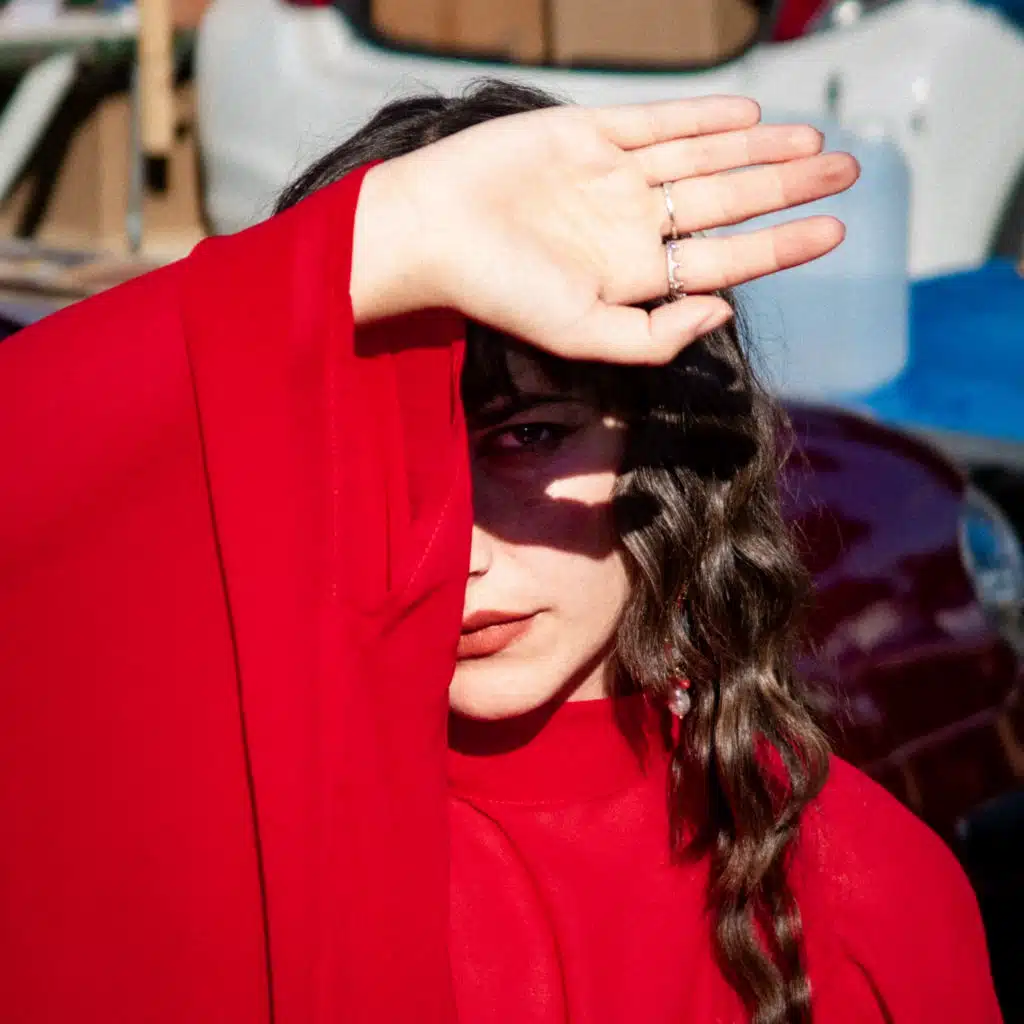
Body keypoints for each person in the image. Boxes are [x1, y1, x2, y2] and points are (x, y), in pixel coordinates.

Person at [0, 81, 998, 1024]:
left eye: (526, 435)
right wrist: (371, 249)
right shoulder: (206, 827)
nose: (456, 547)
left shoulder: (868, 892)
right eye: (394, 461)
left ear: (658, 437)